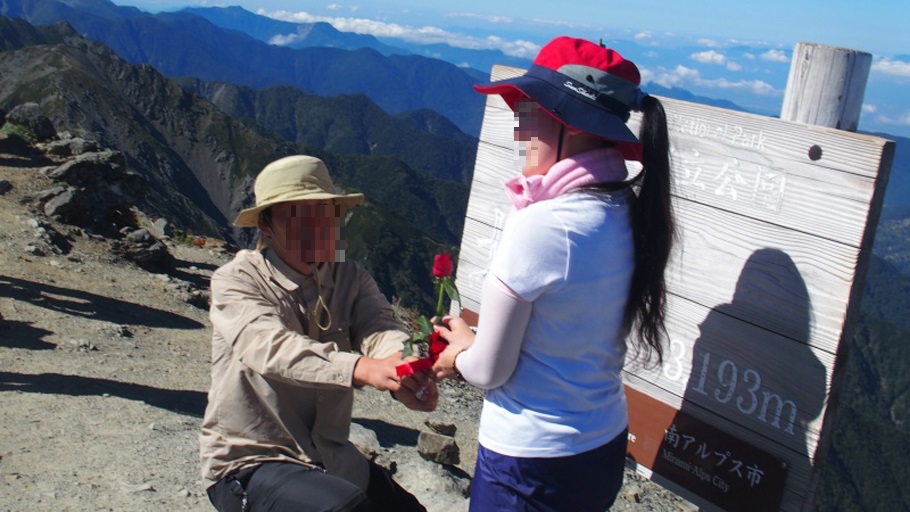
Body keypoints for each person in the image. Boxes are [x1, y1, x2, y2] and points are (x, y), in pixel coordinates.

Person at [432, 36, 674, 511]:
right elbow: (562, 328)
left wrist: (459, 352)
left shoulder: (544, 225)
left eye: (528, 112)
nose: (520, 130)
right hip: (600, 448)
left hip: (529, 463)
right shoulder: (626, 210)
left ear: (572, 124)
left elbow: (488, 370)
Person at [200, 154, 436, 512]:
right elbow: (269, 345)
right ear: (266, 225)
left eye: (325, 213)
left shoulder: (349, 276)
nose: (317, 226)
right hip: (251, 461)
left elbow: (381, 327)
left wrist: (405, 370)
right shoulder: (236, 280)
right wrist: (363, 369)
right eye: (297, 216)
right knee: (345, 509)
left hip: (330, 457)